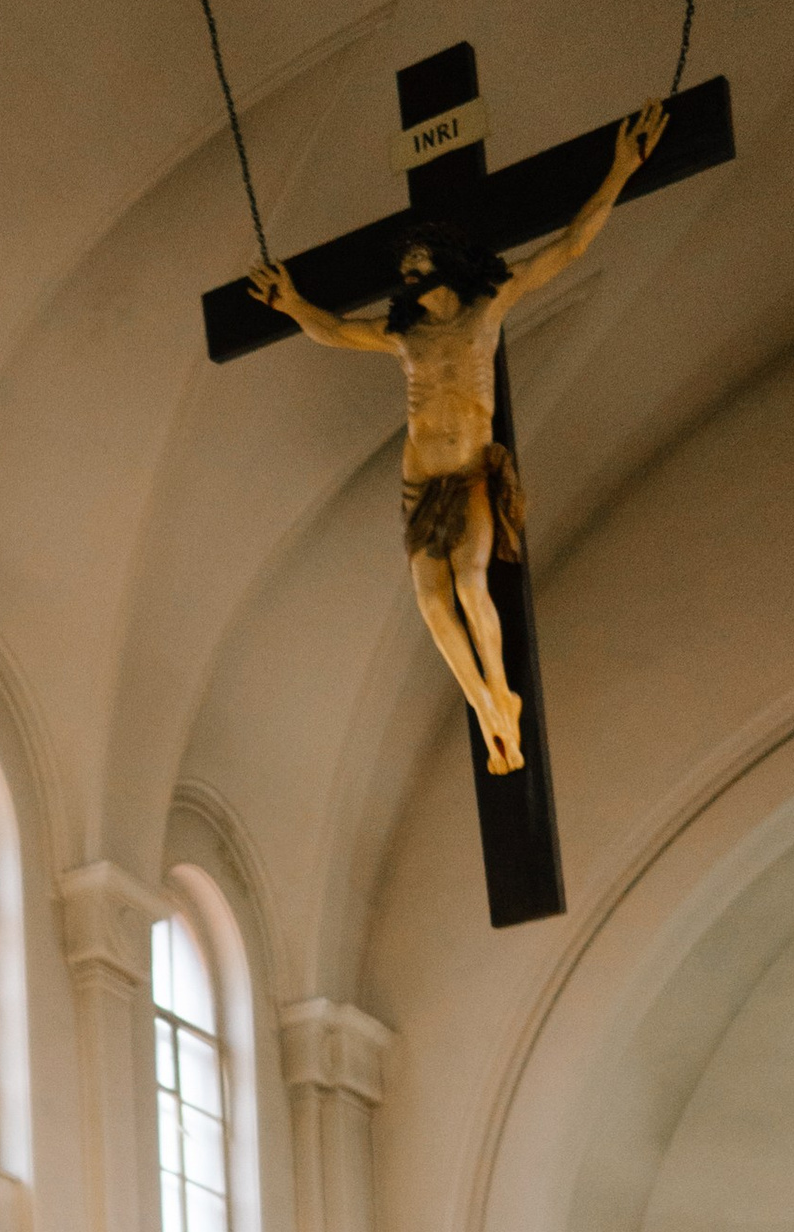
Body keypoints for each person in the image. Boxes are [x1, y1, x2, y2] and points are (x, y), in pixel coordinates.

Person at [248, 101, 665, 774]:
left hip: (469, 470)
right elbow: (335, 331)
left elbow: (569, 246)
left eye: (418, 264)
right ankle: (487, 710)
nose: (408, 276)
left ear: (445, 265)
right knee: (429, 601)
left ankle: (502, 696)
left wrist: (619, 170)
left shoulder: (485, 311)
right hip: (420, 479)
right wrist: (293, 303)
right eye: (406, 268)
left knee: (471, 587)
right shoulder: (402, 335)